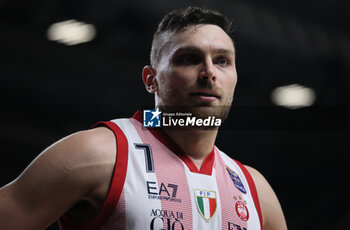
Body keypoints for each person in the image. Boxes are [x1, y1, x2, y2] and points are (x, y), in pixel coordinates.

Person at [0, 6, 287, 230]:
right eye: (189, 58)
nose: (209, 72)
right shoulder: (97, 154)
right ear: (151, 80)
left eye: (222, 60)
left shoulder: (255, 191)